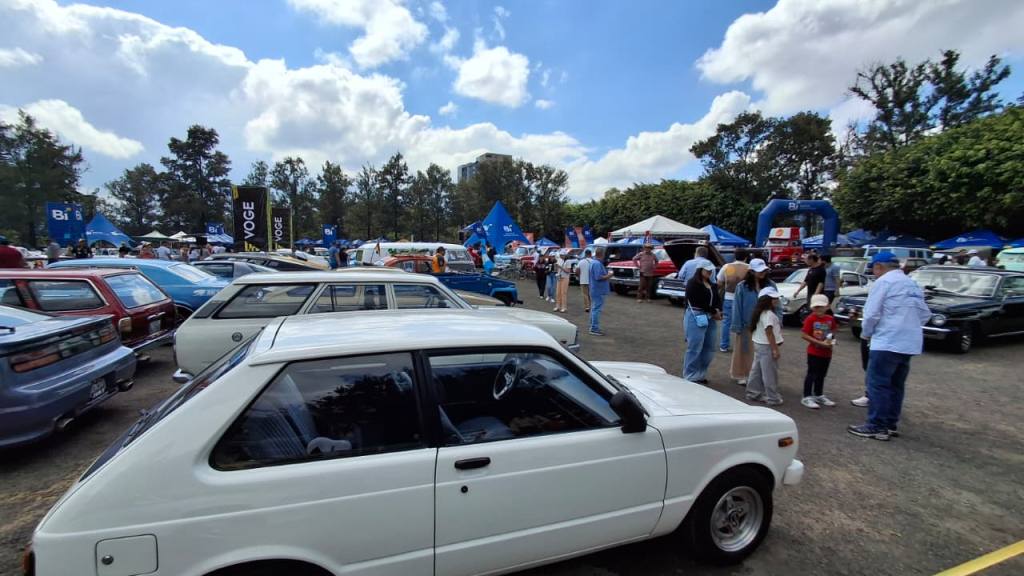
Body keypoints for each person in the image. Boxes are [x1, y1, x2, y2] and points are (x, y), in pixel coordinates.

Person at [848, 252, 931, 441]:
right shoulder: (911, 283)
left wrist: (866, 333)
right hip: (908, 342)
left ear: (878, 266)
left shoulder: (883, 282)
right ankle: (890, 424)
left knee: (877, 384)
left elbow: (871, 314)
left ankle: (876, 426)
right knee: (896, 385)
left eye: (873, 269)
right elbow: (925, 314)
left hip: (887, 341)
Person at [731, 258, 779, 386]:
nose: (762, 273)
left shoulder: (771, 285)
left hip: (765, 323)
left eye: (764, 270)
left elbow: (778, 304)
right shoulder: (742, 286)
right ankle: (743, 374)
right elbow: (737, 306)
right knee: (744, 350)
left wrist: (778, 322)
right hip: (747, 323)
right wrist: (737, 325)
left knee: (763, 351)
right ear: (751, 271)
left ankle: (761, 376)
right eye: (759, 271)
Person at [683, 260, 722, 384]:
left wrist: (718, 310)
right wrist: (713, 311)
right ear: (700, 270)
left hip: (709, 316)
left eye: (711, 270)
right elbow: (696, 300)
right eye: (707, 270)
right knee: (695, 347)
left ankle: (700, 373)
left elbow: (717, 298)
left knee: (709, 347)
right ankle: (690, 374)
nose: (709, 272)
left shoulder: (712, 284)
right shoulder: (692, 283)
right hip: (697, 315)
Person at [746, 286, 784, 406]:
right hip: (767, 346)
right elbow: (769, 332)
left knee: (756, 370)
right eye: (774, 298)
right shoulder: (769, 315)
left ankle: (753, 392)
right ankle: (772, 397)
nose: (776, 300)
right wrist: (775, 349)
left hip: (759, 344)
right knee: (769, 372)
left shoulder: (759, 313)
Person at [800, 294, 838, 409]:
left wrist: (831, 341)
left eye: (821, 307)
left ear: (827, 307)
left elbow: (833, 331)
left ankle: (818, 394)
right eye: (816, 307)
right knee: (812, 373)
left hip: (826, 352)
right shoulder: (811, 318)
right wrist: (819, 343)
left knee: (822, 374)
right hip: (814, 352)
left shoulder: (830, 319)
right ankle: (806, 396)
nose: (818, 309)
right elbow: (804, 334)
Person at [716, 248, 750, 352]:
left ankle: (724, 345)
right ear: (746, 257)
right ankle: (743, 346)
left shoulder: (727, 267)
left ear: (735, 256)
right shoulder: (749, 268)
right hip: (744, 299)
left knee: (726, 322)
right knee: (744, 322)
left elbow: (719, 282)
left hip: (729, 297)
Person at [588, 254, 613, 335]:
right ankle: (594, 328)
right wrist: (609, 275)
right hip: (598, 289)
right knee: (596, 309)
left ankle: (592, 326)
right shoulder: (597, 264)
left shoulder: (593, 262)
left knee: (594, 308)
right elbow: (598, 277)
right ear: (601, 255)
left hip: (594, 289)